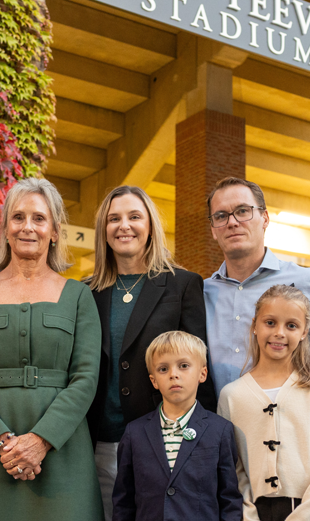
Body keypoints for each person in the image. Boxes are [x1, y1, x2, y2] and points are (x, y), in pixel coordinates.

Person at [0, 178, 103, 521]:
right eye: (17, 217)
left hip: (61, 453)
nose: (27, 227)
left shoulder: (79, 297)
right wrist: (2, 443)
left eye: (39, 218)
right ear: (3, 229)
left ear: (55, 231)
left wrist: (40, 441)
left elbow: (86, 378)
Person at [86, 185, 217, 521]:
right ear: (104, 229)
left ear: (150, 226)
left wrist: (201, 443)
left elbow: (198, 366)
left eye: (134, 216)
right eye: (114, 218)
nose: (124, 225)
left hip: (163, 442)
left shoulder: (182, 284)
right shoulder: (86, 291)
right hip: (97, 442)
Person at [204, 176, 310, 433]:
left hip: (290, 441)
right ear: (213, 229)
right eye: (221, 216)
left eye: (242, 211)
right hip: (216, 448)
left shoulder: (308, 284)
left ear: (265, 219)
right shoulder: (200, 294)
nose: (233, 222)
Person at [218, 285, 310, 521]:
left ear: (303, 332)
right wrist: (248, 515)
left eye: (291, 325)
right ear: (255, 325)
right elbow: (235, 470)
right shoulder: (231, 396)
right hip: (259, 512)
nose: (279, 333)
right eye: (270, 323)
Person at [112, 331, 242, 521]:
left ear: (202, 373)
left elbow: (229, 499)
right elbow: (123, 501)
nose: (174, 374)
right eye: (163, 369)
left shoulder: (220, 430)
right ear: (153, 380)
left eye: (183, 366)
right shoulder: (135, 433)